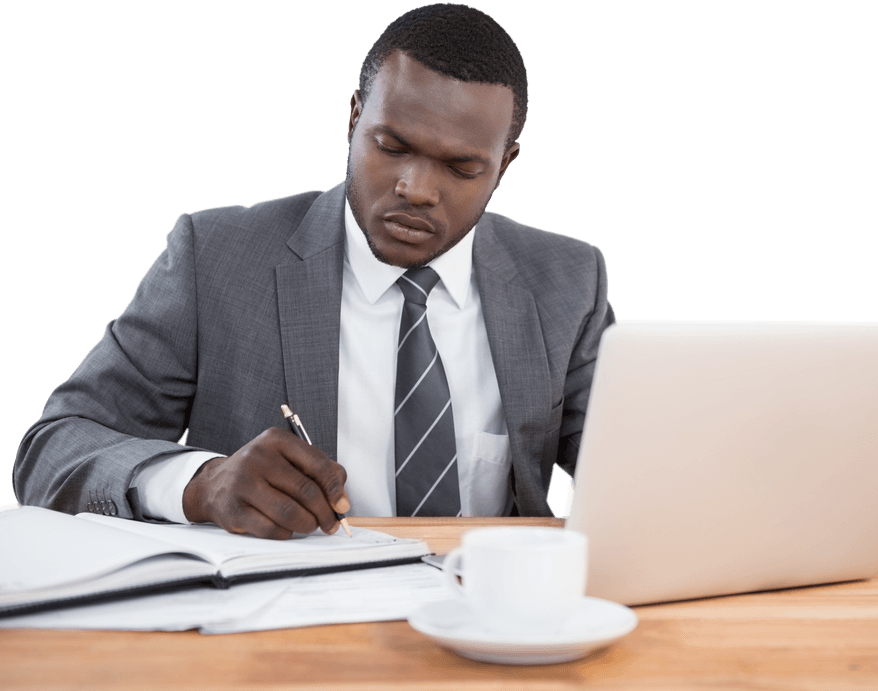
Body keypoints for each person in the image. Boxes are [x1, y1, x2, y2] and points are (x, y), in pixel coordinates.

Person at [12, 4, 615, 539]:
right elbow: (53, 448)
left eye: (460, 168)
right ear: (354, 120)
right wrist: (201, 484)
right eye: (392, 145)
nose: (417, 189)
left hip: (492, 623)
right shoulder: (215, 258)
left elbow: (640, 463)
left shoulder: (568, 280)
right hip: (285, 626)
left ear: (503, 166)